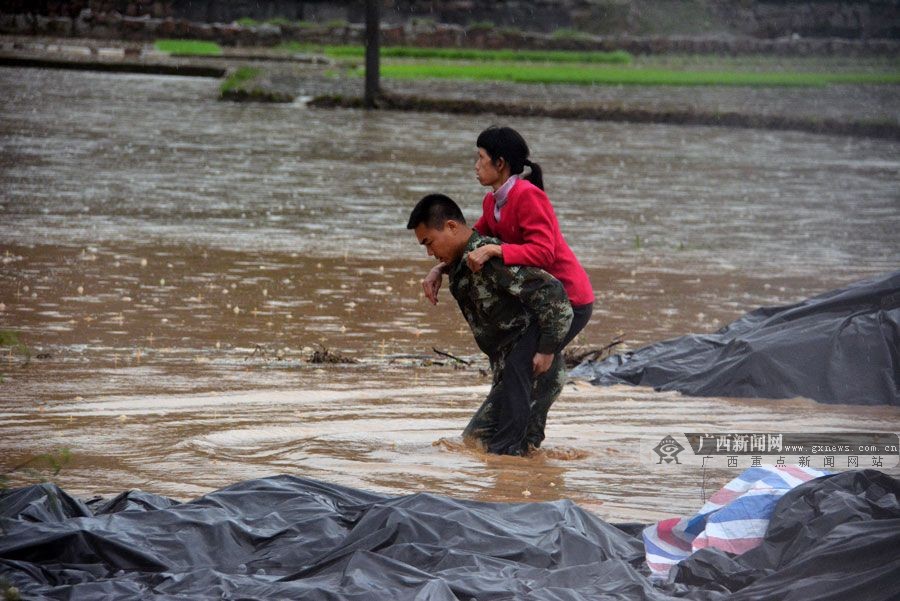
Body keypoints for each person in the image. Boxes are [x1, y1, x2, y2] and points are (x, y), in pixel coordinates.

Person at [407, 194, 573, 456]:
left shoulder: (489, 259)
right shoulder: (462, 262)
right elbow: (456, 263)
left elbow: (555, 296)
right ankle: (529, 485)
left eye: (429, 243)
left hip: (533, 372)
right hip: (510, 371)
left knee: (484, 443)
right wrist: (438, 269)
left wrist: (547, 350)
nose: (429, 253)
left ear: (451, 227)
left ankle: (526, 491)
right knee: (504, 449)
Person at [423, 125, 594, 371]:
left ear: (500, 163)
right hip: (539, 300)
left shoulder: (528, 196)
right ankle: (522, 408)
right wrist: (439, 269)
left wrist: (496, 250)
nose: (476, 165)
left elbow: (545, 252)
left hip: (570, 300)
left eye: (481, 158)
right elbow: (471, 244)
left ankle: (514, 409)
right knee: (520, 367)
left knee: (519, 365)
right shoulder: (492, 202)